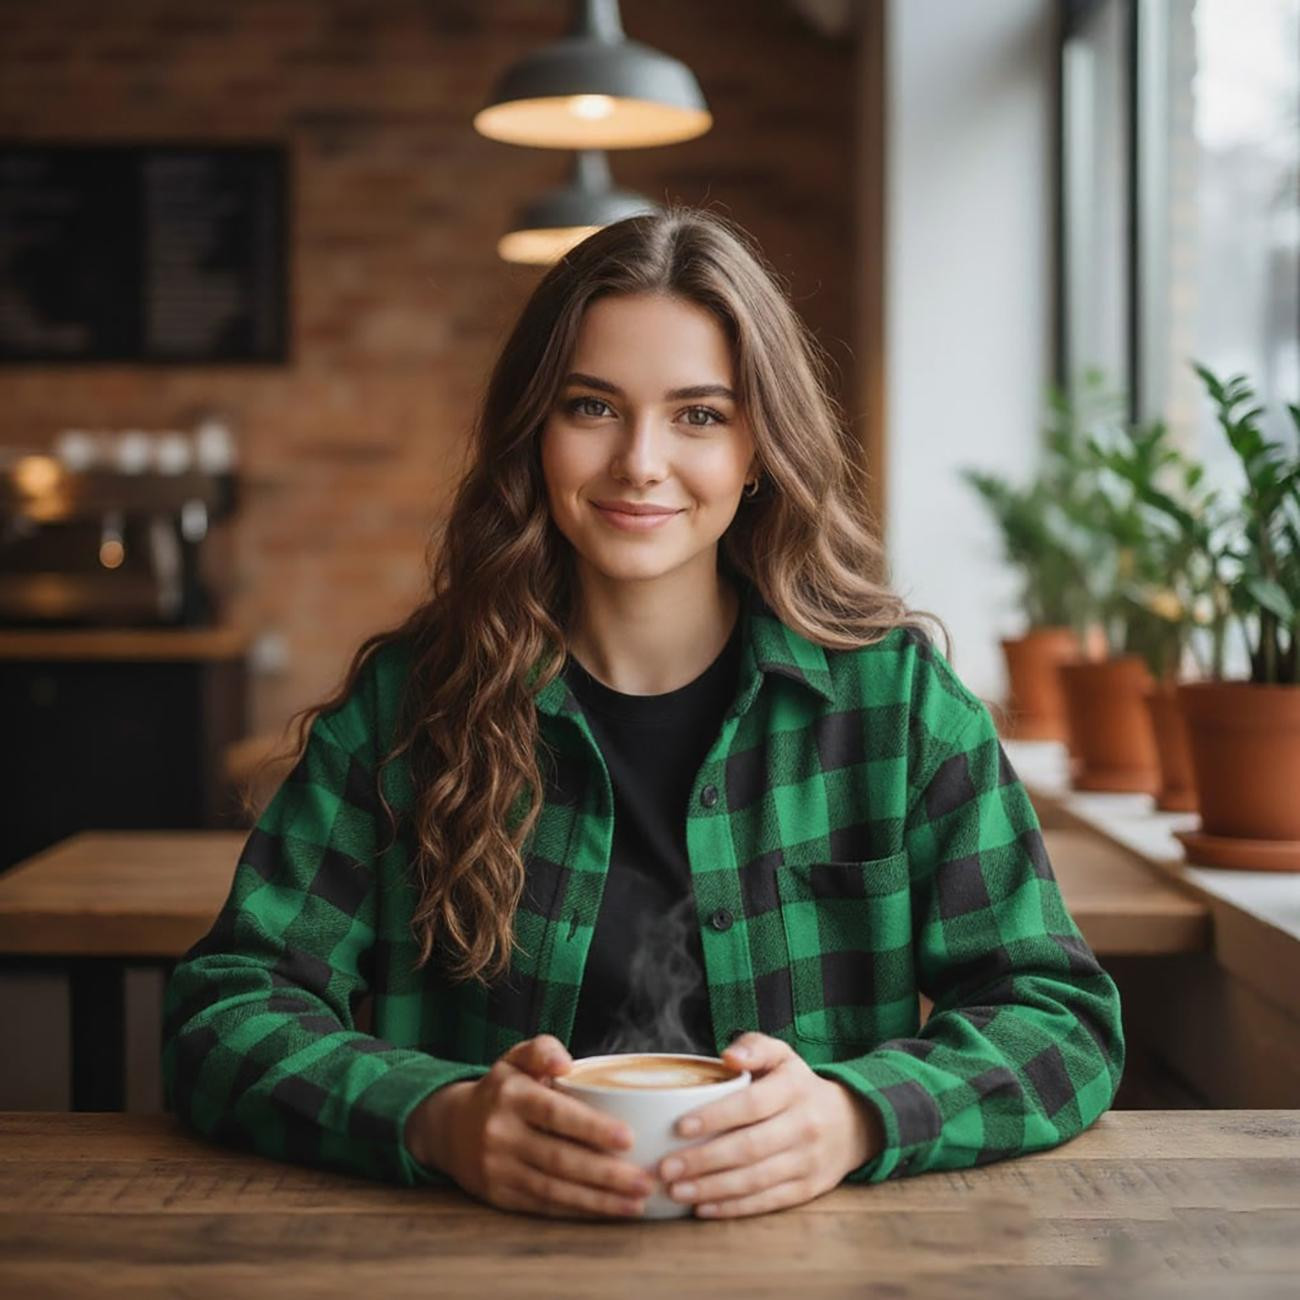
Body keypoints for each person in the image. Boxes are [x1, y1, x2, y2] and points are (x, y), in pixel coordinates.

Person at [162, 207, 1125, 1222]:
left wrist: (855, 1115)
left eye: (699, 414)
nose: (639, 461)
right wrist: (436, 1117)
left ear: (759, 448)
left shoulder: (895, 711)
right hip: (473, 1265)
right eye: (592, 406)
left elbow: (1058, 1018)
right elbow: (222, 1009)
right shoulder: (411, 707)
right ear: (533, 432)